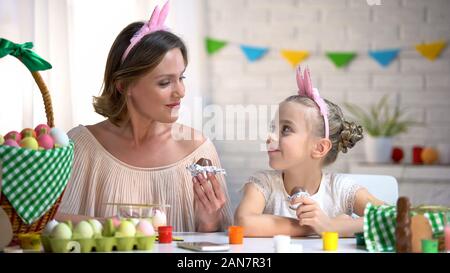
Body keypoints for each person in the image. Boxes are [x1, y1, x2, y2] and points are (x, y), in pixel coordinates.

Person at [56, 1, 232, 232]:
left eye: (182, 78)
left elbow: (221, 245)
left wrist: (209, 220)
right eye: (165, 82)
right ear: (123, 85)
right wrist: (111, 226)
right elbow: (44, 222)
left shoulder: (198, 152)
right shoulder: (81, 145)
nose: (180, 91)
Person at [234, 66, 385, 237]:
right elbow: (243, 222)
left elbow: (394, 217)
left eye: (285, 129)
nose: (270, 136)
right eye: (272, 127)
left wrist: (332, 228)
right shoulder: (264, 183)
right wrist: (316, 226)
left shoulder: (340, 189)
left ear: (319, 148)